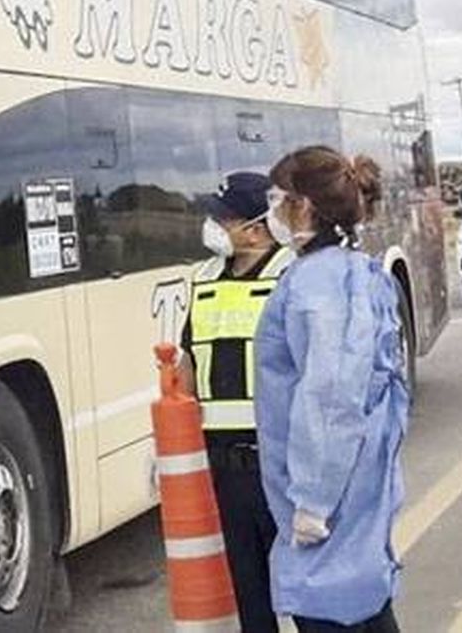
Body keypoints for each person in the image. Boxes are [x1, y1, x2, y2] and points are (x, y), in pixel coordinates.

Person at [254, 146, 409, 632]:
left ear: (305, 207)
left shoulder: (314, 288)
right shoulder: (359, 272)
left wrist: (313, 502)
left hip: (326, 501)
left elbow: (328, 398)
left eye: (278, 199)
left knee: (333, 610)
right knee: (368, 608)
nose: (271, 212)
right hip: (360, 486)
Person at [181, 171, 294, 633]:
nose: (213, 227)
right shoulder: (204, 279)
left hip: (282, 467)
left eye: (222, 218)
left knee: (309, 599)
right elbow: (189, 358)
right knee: (251, 597)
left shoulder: (291, 276)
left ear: (255, 228)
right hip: (226, 469)